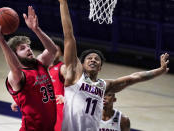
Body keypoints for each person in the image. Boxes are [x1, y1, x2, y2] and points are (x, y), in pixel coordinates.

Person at [58, 0, 169, 130]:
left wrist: (160, 70)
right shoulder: (75, 75)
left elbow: (135, 77)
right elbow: (69, 36)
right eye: (89, 58)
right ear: (81, 64)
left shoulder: (105, 85)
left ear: (100, 67)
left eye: (97, 59)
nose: (93, 60)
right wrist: (63, 4)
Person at [0, 6, 57, 131]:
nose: (28, 49)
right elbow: (15, 68)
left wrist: (36, 30)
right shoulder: (16, 76)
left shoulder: (40, 63)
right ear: (15, 55)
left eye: (28, 47)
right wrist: (1, 40)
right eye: (22, 48)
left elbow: (53, 50)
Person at [11, 45, 66, 131]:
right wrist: (18, 99)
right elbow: (33, 88)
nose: (53, 54)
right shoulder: (40, 67)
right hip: (42, 107)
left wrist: (67, 98)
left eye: (57, 51)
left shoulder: (62, 68)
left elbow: (75, 85)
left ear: (61, 53)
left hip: (57, 108)